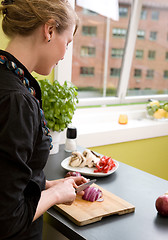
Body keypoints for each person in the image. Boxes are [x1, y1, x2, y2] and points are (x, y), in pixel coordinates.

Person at [0, 0, 87, 239]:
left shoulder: (8, 80)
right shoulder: (16, 101)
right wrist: (56, 196)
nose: (64, 54)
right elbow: (8, 218)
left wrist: (49, 185)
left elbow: (6, 178)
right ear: (49, 30)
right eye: (67, 43)